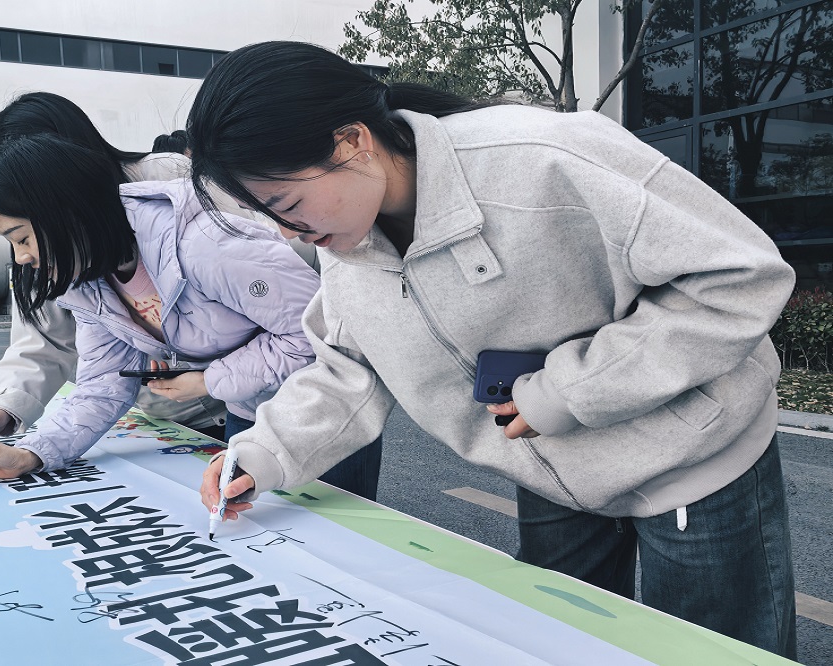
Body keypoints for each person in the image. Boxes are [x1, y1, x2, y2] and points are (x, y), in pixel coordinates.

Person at [188, 41, 798, 658]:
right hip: (551, 472)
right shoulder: (346, 238)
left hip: (693, 460)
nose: (289, 233)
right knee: (557, 647)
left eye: (288, 205)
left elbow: (739, 276)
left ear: (351, 142)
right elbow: (349, 369)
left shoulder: (542, 156)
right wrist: (265, 454)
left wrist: (567, 392)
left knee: (711, 653)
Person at [0, 133, 320, 479]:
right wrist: (32, 454)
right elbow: (102, 386)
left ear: (67, 211)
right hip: (250, 412)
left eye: (22, 238)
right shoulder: (90, 285)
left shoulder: (204, 245)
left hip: (317, 409)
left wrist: (209, 380)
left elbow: (316, 331)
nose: (21, 257)